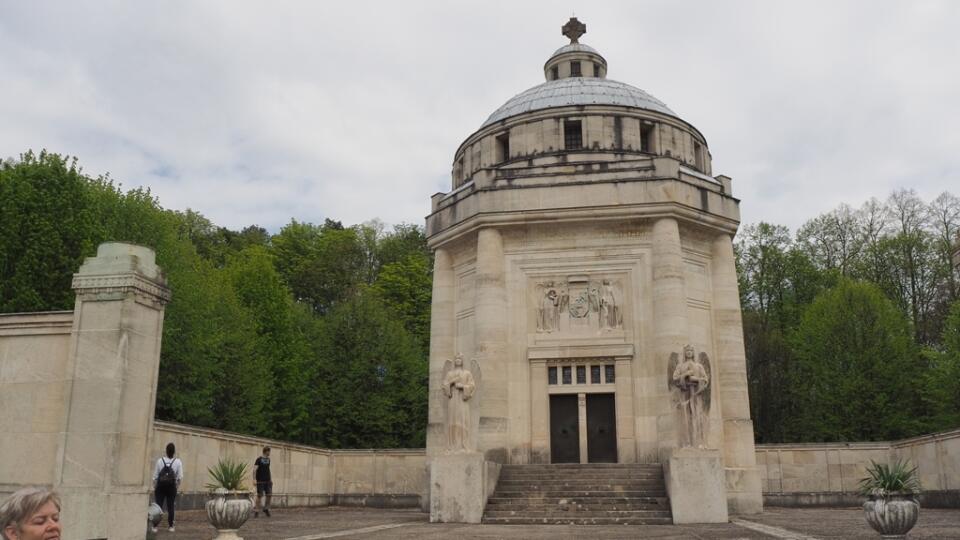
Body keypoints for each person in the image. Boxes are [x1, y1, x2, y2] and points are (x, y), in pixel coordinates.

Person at [152, 442, 183, 533]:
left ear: (166, 451)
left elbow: (155, 476)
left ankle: (155, 526)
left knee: (158, 506)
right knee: (171, 507)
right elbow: (180, 477)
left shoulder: (160, 461)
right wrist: (176, 487)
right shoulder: (178, 462)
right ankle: (171, 526)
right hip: (171, 487)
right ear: (174, 452)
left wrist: (155, 486)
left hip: (160, 487)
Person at [253, 447, 272, 517]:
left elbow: (268, 470)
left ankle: (266, 508)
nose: (269, 453)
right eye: (269, 451)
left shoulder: (268, 460)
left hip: (268, 481)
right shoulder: (259, 459)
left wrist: (270, 479)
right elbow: (255, 470)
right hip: (260, 481)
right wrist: (254, 479)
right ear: (265, 451)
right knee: (259, 495)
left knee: (269, 495)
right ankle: (256, 510)